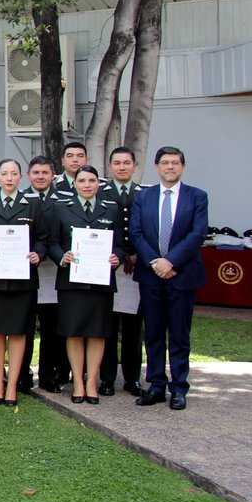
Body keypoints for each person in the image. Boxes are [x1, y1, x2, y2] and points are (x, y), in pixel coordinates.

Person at [130, 146, 208, 411]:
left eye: (175, 162)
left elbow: (198, 233)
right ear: (157, 167)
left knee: (179, 334)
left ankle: (179, 388)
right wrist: (156, 262)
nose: (170, 167)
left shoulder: (197, 196)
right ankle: (156, 385)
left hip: (182, 275)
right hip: (151, 275)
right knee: (153, 333)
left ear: (183, 167)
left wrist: (171, 261)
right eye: (165, 162)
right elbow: (136, 232)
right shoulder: (144, 197)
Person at [0, 159, 48, 406]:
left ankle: (12, 385)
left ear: (21, 177)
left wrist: (38, 253)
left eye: (14, 174)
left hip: (22, 282)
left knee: (17, 332)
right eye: (5, 174)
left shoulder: (32, 205)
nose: (9, 178)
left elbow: (42, 238)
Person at [47, 165, 124, 404]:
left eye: (92, 180)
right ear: (75, 184)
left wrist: (117, 257)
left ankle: (91, 382)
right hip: (72, 282)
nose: (87, 185)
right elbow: (52, 242)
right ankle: (78, 383)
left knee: (97, 332)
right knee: (74, 332)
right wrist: (63, 256)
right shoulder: (61, 208)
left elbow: (120, 244)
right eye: (82, 181)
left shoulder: (111, 209)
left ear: (98, 184)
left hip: (100, 283)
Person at [98, 145, 146, 396]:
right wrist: (119, 254)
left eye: (127, 163)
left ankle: (132, 378)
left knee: (133, 327)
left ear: (134, 166)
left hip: (136, 268)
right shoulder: (100, 192)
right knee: (107, 324)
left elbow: (147, 228)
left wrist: (135, 254)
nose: (122, 167)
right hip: (108, 266)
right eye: (117, 163)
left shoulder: (144, 194)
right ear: (110, 166)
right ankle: (107, 378)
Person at [23, 155, 66, 392]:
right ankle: (23, 374)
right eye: (36, 172)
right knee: (25, 327)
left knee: (51, 328)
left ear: (53, 175)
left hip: (53, 273)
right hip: (25, 271)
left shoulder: (63, 201)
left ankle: (49, 375)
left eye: (45, 173)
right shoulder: (20, 199)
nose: (40, 177)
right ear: (29, 175)